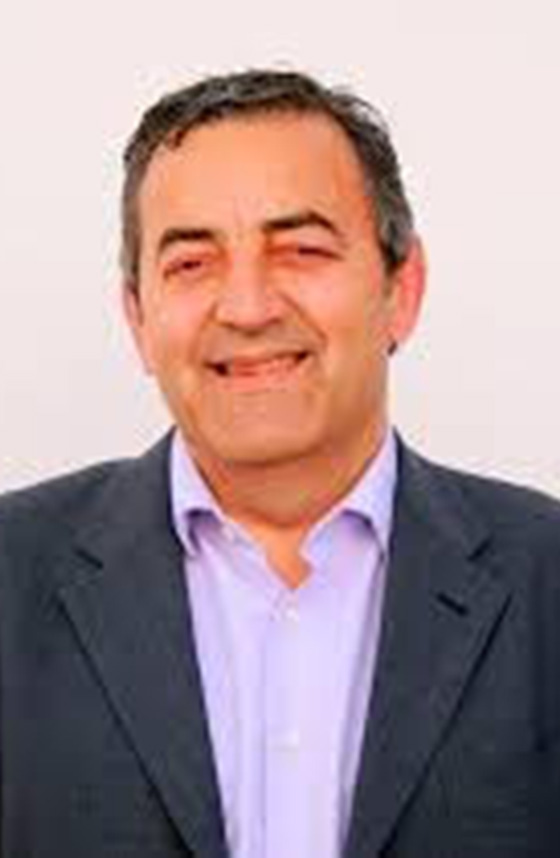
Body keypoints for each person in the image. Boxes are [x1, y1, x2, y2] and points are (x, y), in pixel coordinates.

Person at [0, 69, 558, 858]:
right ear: (138, 317)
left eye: (300, 250)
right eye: (191, 263)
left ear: (401, 289)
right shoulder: (11, 574)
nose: (249, 306)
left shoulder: (545, 576)